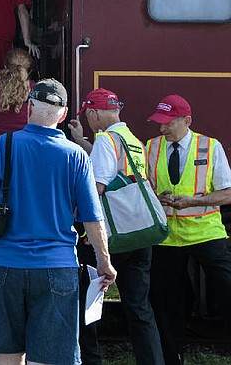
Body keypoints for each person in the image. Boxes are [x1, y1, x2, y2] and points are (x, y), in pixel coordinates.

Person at [0, 79, 116, 365]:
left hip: (4, 265)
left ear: (28, 108)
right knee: (49, 357)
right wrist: (104, 260)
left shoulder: (6, 145)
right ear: (62, 115)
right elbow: (92, 216)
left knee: (8, 353)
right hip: (56, 266)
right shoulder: (76, 155)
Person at [68, 88, 165, 365]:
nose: (88, 121)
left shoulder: (105, 140)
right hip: (139, 233)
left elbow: (97, 188)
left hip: (113, 237)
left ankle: (91, 360)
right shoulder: (131, 139)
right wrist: (82, 142)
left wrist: (70, 216)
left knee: (90, 305)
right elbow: (119, 172)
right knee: (139, 308)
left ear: (95, 113)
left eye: (88, 116)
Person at [145, 94, 231, 365]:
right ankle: (172, 357)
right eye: (159, 122)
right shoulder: (152, 147)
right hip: (167, 236)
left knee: (227, 288)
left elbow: (227, 193)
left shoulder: (210, 146)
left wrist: (195, 201)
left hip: (205, 232)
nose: (162, 129)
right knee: (165, 301)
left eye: (168, 123)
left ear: (187, 121)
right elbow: (143, 186)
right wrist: (156, 197)